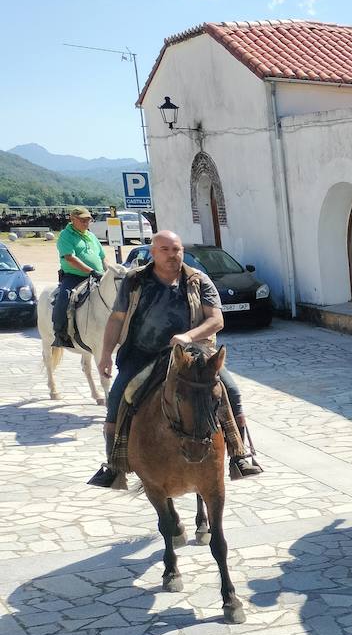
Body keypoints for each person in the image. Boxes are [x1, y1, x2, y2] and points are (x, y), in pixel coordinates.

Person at [88, 231, 263, 487]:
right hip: (143, 352)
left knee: (231, 391)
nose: (172, 255)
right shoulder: (135, 281)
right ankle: (114, 465)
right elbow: (117, 318)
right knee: (116, 397)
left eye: (176, 249)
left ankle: (240, 454)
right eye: (165, 250)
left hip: (192, 353)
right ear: (153, 252)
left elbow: (216, 320)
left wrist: (188, 336)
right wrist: (105, 354)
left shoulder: (198, 280)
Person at [53, 206, 106, 349]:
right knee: (64, 297)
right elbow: (70, 258)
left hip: (97, 275)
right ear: (72, 219)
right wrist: (91, 271)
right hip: (74, 276)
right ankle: (60, 333)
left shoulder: (91, 236)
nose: (86, 223)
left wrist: (107, 273)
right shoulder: (66, 235)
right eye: (82, 220)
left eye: (88, 220)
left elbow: (102, 258)